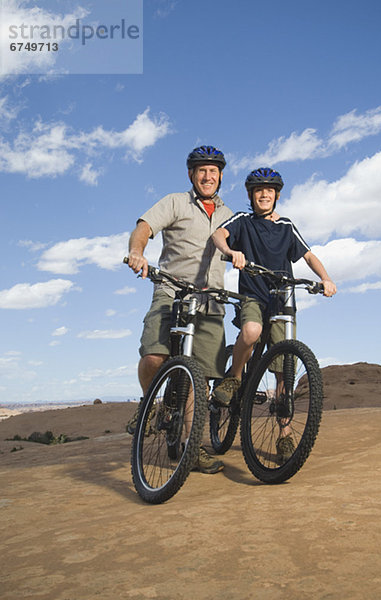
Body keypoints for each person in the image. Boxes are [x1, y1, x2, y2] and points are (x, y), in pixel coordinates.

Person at [211, 167, 337, 464]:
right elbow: (218, 234)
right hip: (253, 295)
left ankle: (284, 435)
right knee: (252, 331)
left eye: (270, 190)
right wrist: (231, 252)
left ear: (277, 195)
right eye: (258, 190)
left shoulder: (286, 227)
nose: (264, 194)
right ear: (251, 196)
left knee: (285, 369)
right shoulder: (243, 222)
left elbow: (307, 255)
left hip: (282, 300)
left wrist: (326, 278)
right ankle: (234, 378)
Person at [126, 145, 233, 474]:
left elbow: (248, 249)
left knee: (198, 379)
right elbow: (144, 227)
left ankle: (192, 448)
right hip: (172, 290)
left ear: (220, 176)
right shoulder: (175, 202)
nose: (207, 176)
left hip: (210, 300)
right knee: (154, 357)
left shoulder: (231, 215)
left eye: (213, 171)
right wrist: (136, 252)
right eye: (201, 170)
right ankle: (150, 405)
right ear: (191, 174)